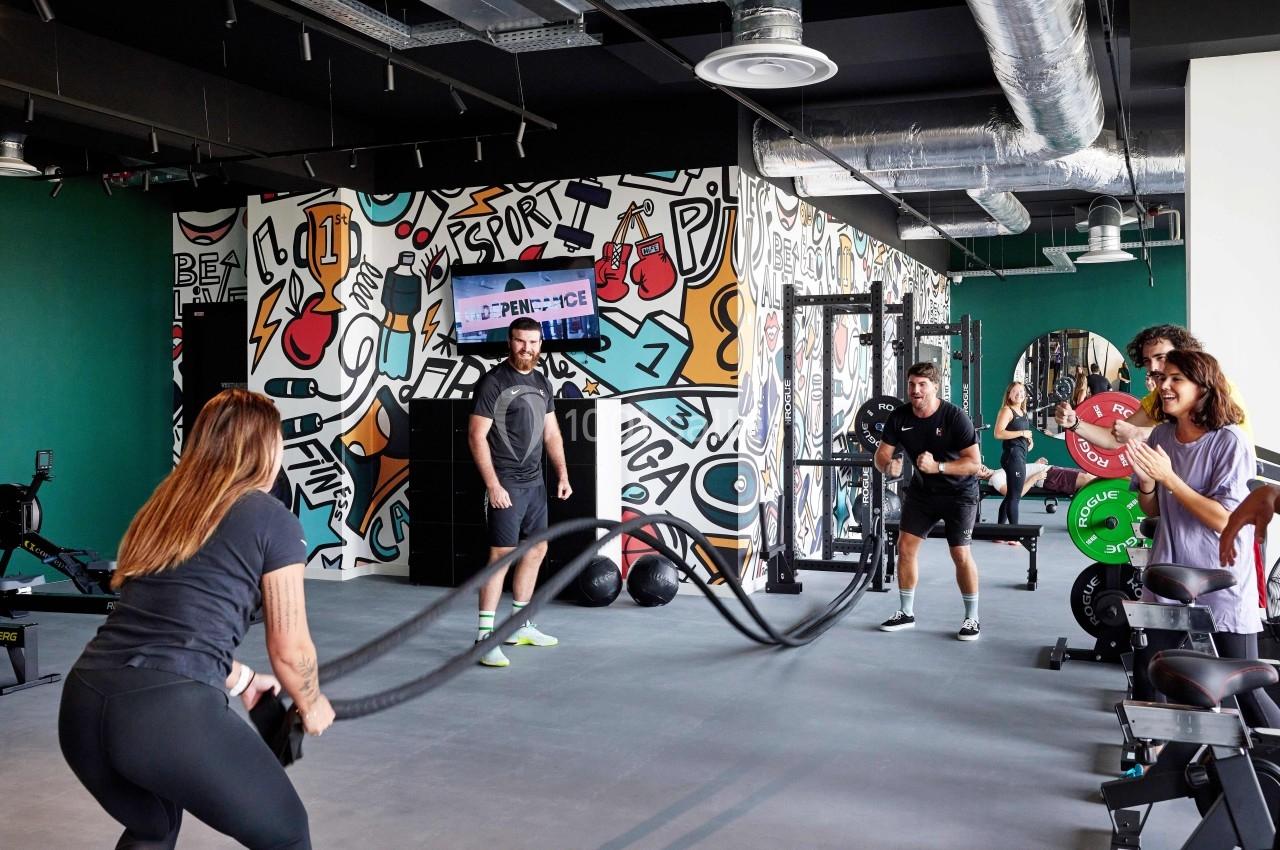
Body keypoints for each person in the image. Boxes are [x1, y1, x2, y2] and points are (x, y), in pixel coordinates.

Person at [58, 389, 332, 849]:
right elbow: (290, 649)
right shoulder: (272, 518)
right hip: (164, 714)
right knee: (287, 834)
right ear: (266, 448)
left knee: (154, 826)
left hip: (84, 705)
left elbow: (167, 625)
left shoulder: (165, 510)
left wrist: (243, 679)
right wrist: (311, 700)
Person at [1127, 350, 1280, 730]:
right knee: (1155, 674)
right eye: (1162, 377)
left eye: (1175, 378)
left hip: (1222, 579)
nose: (1163, 386)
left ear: (1203, 387)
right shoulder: (1162, 434)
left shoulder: (1230, 442)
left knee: (1244, 691)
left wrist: (1169, 478)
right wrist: (1147, 483)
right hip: (1169, 573)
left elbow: (1224, 519)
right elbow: (1152, 511)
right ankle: (1155, 757)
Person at [469, 316, 572, 668]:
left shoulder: (542, 382)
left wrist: (562, 474)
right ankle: (485, 638)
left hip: (535, 484)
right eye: (519, 341)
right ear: (509, 342)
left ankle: (519, 625)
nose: (526, 348)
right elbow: (475, 436)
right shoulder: (493, 383)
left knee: (537, 548)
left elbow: (552, 434)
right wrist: (493, 485)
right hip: (507, 485)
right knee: (501, 556)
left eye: (532, 342)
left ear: (540, 344)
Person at [874, 362, 985, 641]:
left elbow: (974, 464)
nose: (916, 390)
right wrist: (888, 466)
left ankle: (972, 618)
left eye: (922, 384)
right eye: (912, 384)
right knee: (905, 547)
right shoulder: (899, 417)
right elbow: (880, 456)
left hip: (960, 493)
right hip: (923, 494)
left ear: (935, 386)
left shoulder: (955, 417)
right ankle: (906, 612)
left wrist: (939, 467)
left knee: (960, 553)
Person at [1056, 324, 1253, 448]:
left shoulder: (1219, 387)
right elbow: (1114, 438)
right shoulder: (1160, 395)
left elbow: (1214, 440)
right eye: (1148, 361)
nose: (1154, 368)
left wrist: (1140, 434)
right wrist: (1074, 423)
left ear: (1185, 353)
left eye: (1161, 357)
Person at [992, 381, 1034, 534]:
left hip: (1019, 456)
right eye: (1015, 391)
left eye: (1022, 391)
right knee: (1015, 497)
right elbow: (998, 433)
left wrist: (1028, 441)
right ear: (1009, 394)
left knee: (1011, 496)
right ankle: (1013, 535)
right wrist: (1022, 434)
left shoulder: (1022, 412)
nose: (1019, 394)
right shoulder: (1007, 411)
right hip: (1012, 457)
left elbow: (1021, 435)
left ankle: (999, 532)